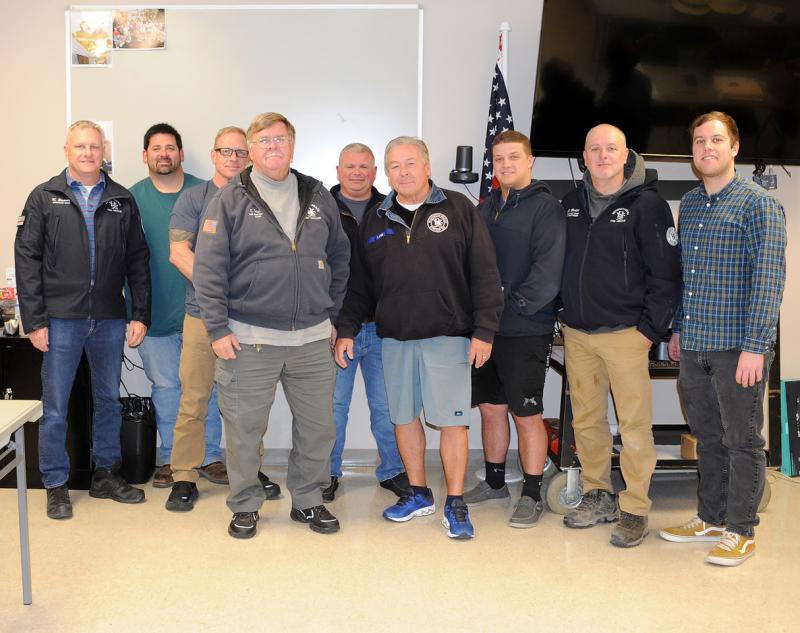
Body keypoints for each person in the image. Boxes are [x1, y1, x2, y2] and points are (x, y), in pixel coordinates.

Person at [335, 136, 503, 540]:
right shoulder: (376, 218)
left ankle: (456, 501)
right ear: (386, 173)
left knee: (452, 424)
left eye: (411, 163)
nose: (403, 171)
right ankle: (418, 493)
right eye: (395, 165)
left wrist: (484, 331)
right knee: (404, 419)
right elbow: (360, 285)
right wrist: (346, 329)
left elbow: (484, 272)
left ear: (427, 166)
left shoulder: (459, 208)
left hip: (448, 338)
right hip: (394, 339)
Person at [193, 112, 350, 539]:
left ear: (292, 145)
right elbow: (208, 269)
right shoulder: (229, 199)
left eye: (280, 139)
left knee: (319, 427)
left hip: (313, 339)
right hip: (249, 339)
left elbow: (339, 257)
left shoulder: (317, 195)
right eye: (263, 141)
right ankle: (245, 504)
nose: (273, 147)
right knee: (245, 430)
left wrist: (332, 315)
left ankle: (309, 500)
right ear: (251, 149)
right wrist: (218, 329)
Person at [660, 111, 786, 566]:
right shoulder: (691, 203)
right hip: (694, 344)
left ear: (735, 147)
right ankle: (710, 517)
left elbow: (769, 279)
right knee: (707, 437)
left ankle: (740, 530)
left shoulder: (759, 204)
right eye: (699, 142)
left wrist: (756, 346)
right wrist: (677, 329)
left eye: (716, 140)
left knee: (743, 441)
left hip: (739, 348)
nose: (707, 148)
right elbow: (684, 277)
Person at [14, 120, 150, 519]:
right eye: (80, 146)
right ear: (67, 150)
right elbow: (27, 261)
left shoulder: (121, 199)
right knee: (55, 405)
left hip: (108, 317)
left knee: (108, 399)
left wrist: (139, 312)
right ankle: (55, 484)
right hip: (60, 319)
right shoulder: (44, 197)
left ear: (103, 150)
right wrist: (34, 319)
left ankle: (106, 472)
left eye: (94, 146)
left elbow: (137, 261)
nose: (88, 153)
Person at [559, 123, 680, 547]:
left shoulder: (648, 205)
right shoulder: (571, 203)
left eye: (611, 148)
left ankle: (634, 509)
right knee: (587, 421)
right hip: (577, 333)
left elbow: (666, 275)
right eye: (595, 149)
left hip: (628, 335)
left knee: (633, 426)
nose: (603, 155)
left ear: (626, 154)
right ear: (584, 156)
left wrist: (650, 330)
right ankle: (597, 494)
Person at [164, 126, 281, 511]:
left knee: (248, 403)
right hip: (201, 317)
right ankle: (183, 475)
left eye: (239, 153)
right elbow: (179, 252)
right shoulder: (193, 199)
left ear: (249, 157)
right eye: (224, 151)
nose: (232, 159)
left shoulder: (262, 198)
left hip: (250, 321)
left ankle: (250, 470)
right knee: (194, 398)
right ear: (213, 155)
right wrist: (219, 293)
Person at [464, 130, 565, 528]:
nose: (506, 165)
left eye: (513, 158)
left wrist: (508, 313)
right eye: (500, 159)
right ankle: (494, 484)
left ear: (529, 161)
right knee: (491, 409)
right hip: (486, 331)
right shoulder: (486, 208)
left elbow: (547, 275)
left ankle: (533, 492)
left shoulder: (546, 208)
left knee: (527, 415)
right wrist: (480, 320)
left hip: (525, 329)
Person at [129, 123, 212, 489]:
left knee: (207, 387)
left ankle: (210, 457)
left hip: (205, 310)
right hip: (154, 314)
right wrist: (135, 314)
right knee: (166, 387)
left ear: (180, 153)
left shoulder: (206, 192)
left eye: (170, 147)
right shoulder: (131, 199)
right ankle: (171, 458)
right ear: (145, 156)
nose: (164, 154)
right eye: (156, 148)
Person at [323, 142, 407, 502]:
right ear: (338, 171)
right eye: (350, 167)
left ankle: (393, 470)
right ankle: (326, 473)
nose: (357, 173)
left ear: (376, 174)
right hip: (334, 326)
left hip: (382, 326)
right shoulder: (319, 209)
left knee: (388, 406)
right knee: (332, 407)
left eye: (364, 167)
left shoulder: (393, 209)